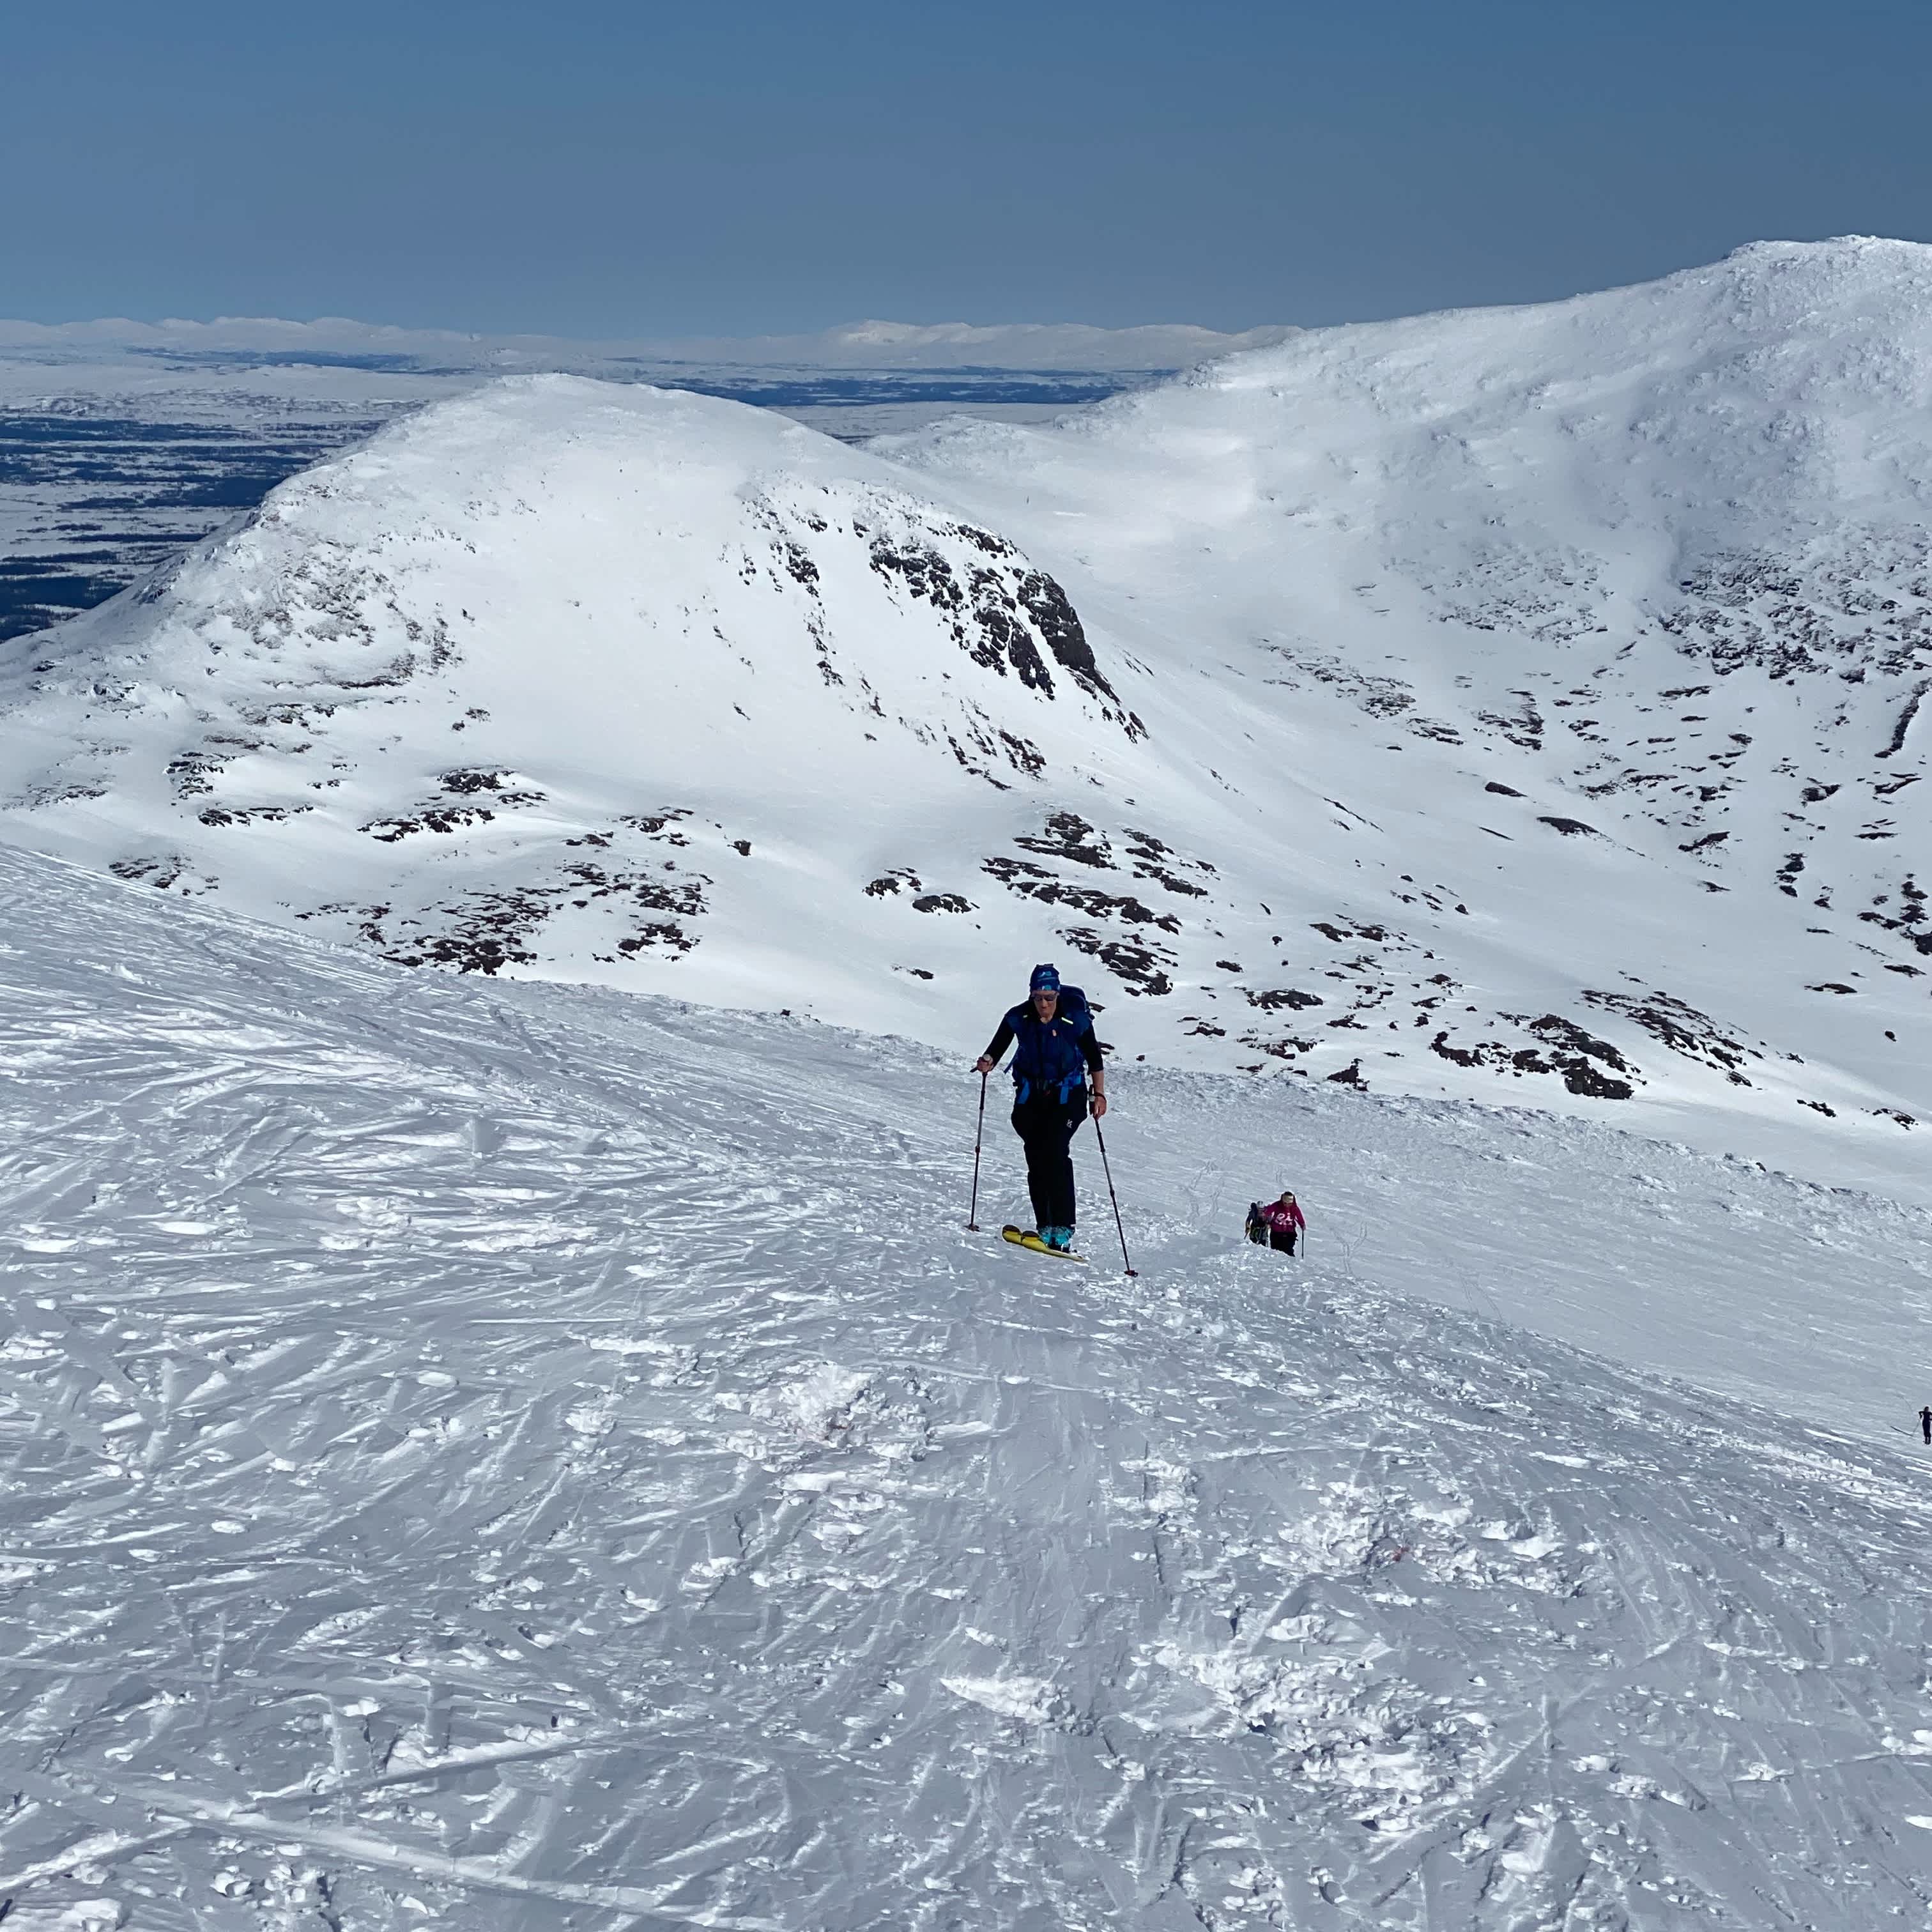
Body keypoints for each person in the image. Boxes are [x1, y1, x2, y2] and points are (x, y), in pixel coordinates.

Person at [976, 963, 1106, 1251]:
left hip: (1068, 1097)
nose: (1043, 1003)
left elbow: (1095, 1061)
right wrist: (988, 1060)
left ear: (1057, 994)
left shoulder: (1076, 1020)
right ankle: (1044, 1226)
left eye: (1049, 997)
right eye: (1038, 997)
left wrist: (1099, 1095)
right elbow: (997, 1047)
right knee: (1035, 1156)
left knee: (1055, 1151)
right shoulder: (1018, 1017)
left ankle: (1063, 1227)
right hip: (1031, 1096)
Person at [1247, 1190, 1306, 1255]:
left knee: (1288, 1249)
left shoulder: (1295, 1208)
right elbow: (1270, 1209)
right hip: (1276, 1232)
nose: (1287, 1205)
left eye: (1289, 1203)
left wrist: (1302, 1225)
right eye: (1285, 1203)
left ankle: (1290, 1262)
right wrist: (1264, 1213)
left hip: (1289, 1233)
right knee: (1276, 1250)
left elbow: (1299, 1217)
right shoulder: (1277, 1205)